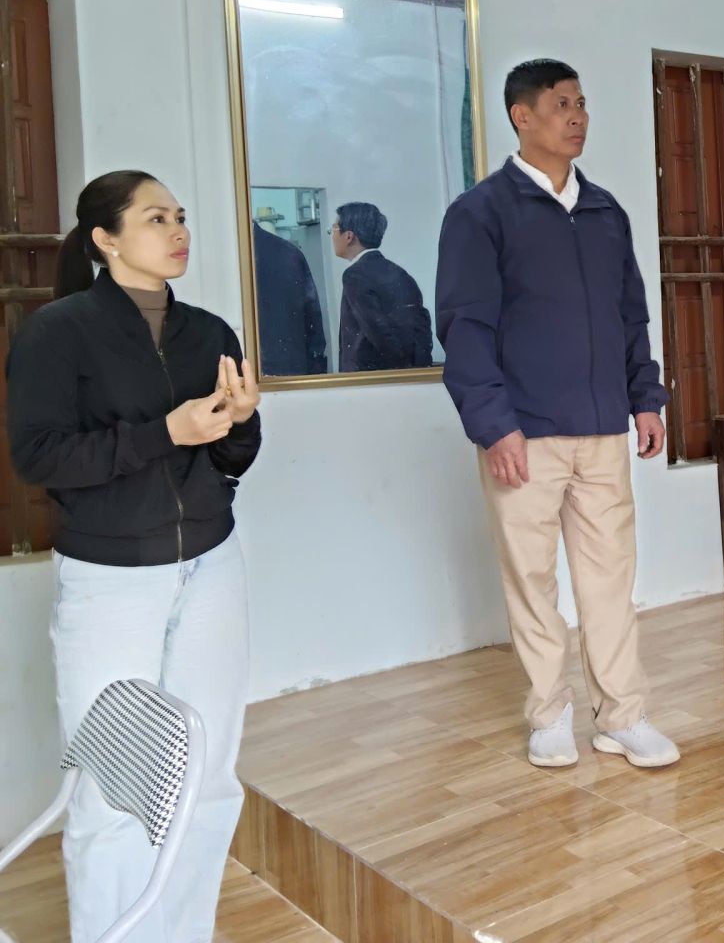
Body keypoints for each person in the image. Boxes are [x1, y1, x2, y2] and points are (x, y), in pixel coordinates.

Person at [6, 170, 262, 943]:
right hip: (110, 582)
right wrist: (165, 433)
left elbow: (230, 461)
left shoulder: (210, 332)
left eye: (180, 216)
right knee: (115, 790)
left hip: (211, 565)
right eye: (156, 218)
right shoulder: (57, 332)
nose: (178, 230)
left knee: (208, 778)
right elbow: (38, 456)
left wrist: (240, 423)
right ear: (105, 239)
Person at [435, 58, 678, 769]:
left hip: (602, 430)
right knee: (532, 581)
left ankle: (622, 717)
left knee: (610, 581)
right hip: (524, 434)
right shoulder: (480, 213)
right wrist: (494, 426)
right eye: (562, 104)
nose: (577, 117)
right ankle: (548, 716)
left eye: (582, 104)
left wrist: (645, 398)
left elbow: (631, 316)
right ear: (523, 117)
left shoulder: (605, 212)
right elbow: (465, 328)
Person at [331, 201, 434, 371]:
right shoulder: (400, 272)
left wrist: (398, 365)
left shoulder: (354, 275)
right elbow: (421, 321)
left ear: (349, 236)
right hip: (409, 373)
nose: (332, 236)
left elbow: (375, 327)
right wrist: (415, 368)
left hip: (370, 376)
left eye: (333, 230)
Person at [252, 221, 327, 375]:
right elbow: (313, 321)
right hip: (292, 371)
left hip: (243, 374)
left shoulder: (223, 255)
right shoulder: (289, 253)